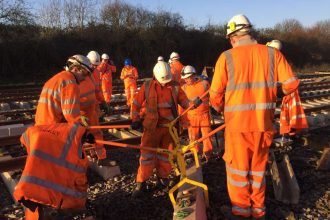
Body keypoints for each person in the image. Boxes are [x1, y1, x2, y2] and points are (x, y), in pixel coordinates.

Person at [210, 14, 299, 219]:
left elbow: (214, 96)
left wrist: (222, 108)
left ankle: (241, 212)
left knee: (238, 173)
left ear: (233, 36)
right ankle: (259, 212)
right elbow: (292, 83)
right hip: (263, 125)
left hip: (237, 128)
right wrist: (275, 93)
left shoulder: (227, 57)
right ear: (249, 32)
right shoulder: (271, 54)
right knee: (258, 172)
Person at [130, 61, 202, 198]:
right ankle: (141, 182)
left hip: (169, 128)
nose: (164, 83)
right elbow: (136, 104)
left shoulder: (175, 87)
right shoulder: (147, 86)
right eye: (162, 81)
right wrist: (135, 120)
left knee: (166, 156)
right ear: (155, 76)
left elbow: (184, 101)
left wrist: (193, 104)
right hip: (152, 128)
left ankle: (163, 178)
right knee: (147, 156)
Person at [35, 55, 92, 125]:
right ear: (76, 69)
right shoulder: (70, 83)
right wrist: (80, 121)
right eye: (85, 73)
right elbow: (71, 115)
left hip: (40, 124)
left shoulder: (56, 78)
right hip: (53, 127)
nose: (85, 78)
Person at [181, 65, 213, 160]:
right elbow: (181, 106)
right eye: (185, 78)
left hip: (205, 115)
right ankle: (195, 154)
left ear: (192, 76)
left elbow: (213, 95)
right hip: (191, 117)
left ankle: (208, 155)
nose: (186, 80)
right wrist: (183, 120)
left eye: (187, 78)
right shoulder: (184, 89)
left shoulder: (205, 84)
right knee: (193, 137)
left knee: (207, 136)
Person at [85, 50, 107, 161]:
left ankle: (101, 157)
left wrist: (102, 101)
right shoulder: (80, 74)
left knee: (97, 132)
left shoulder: (96, 72)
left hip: (93, 108)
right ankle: (88, 154)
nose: (94, 67)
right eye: (93, 65)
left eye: (96, 65)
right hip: (82, 111)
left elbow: (98, 89)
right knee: (84, 134)